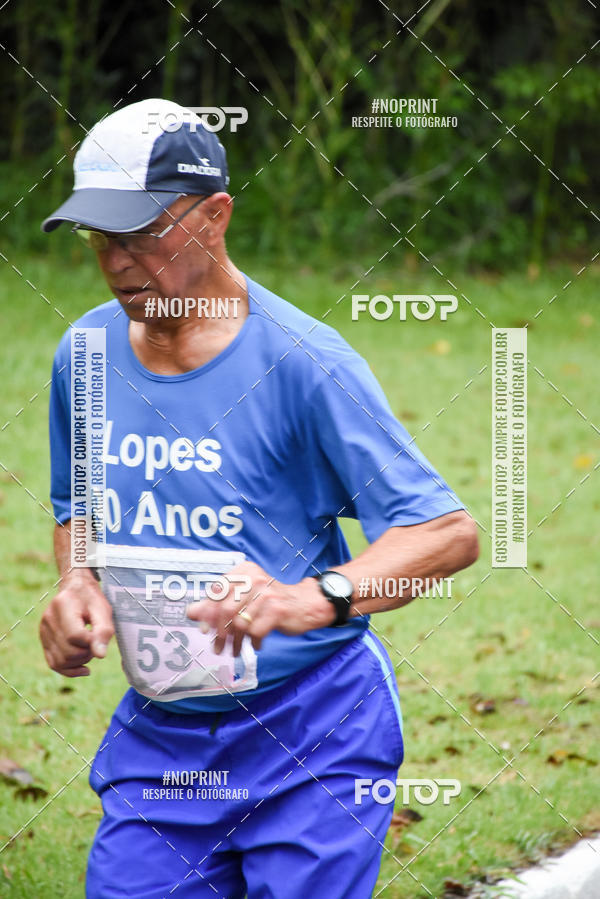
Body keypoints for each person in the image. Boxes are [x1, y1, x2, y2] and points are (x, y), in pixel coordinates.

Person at [40, 98, 479, 898]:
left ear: (214, 216)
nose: (118, 262)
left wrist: (312, 599)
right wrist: (76, 584)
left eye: (144, 232)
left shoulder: (306, 362)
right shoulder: (87, 355)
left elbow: (446, 532)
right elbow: (81, 509)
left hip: (316, 730)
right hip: (164, 738)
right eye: (101, 238)